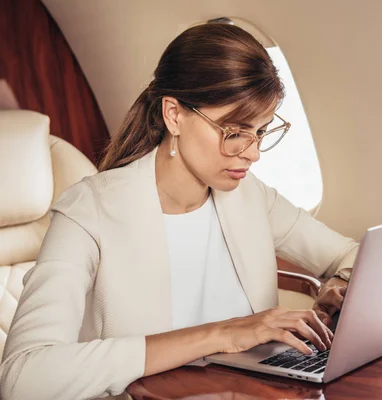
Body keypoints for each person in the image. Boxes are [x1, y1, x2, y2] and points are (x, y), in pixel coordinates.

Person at [0, 23, 358, 400]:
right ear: (173, 115)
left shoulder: (251, 197)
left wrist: (338, 284)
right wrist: (222, 334)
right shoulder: (89, 212)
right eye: (234, 131)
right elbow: (23, 377)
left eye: (261, 132)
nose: (251, 153)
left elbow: (349, 256)